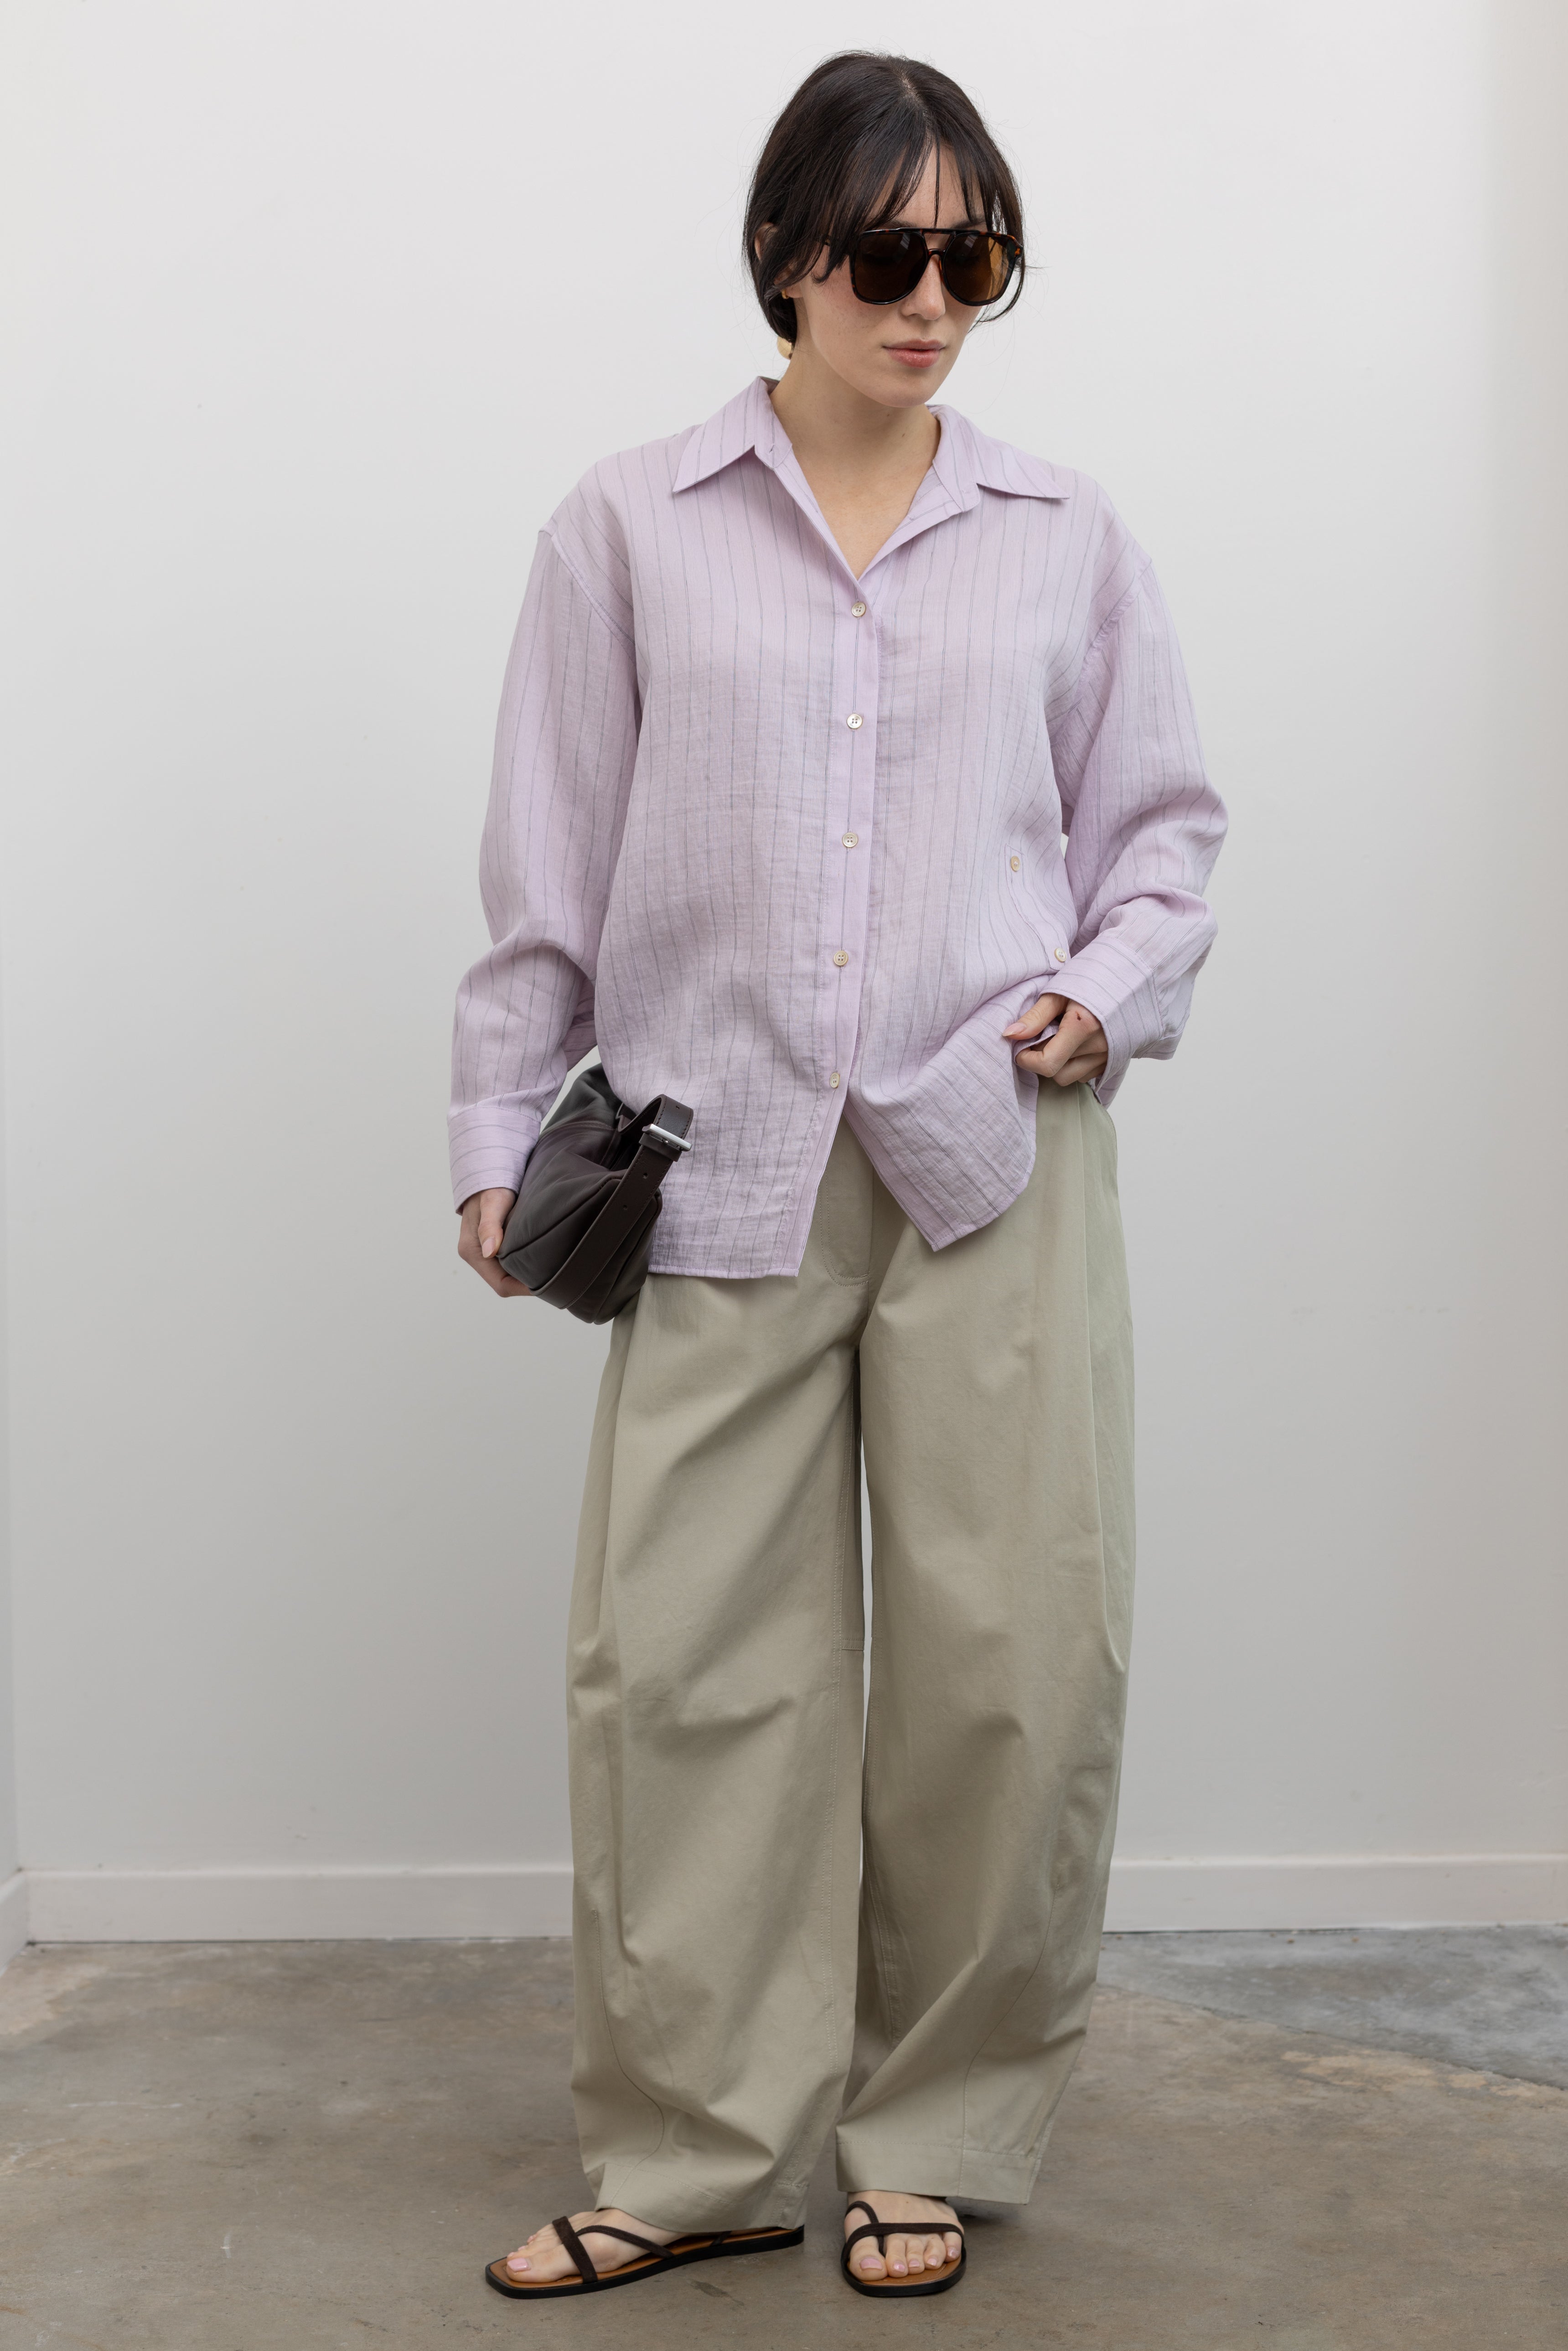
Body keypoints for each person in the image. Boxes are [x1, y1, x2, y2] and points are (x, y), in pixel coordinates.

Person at [450, 50, 1226, 2304]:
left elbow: (1158, 841)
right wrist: (499, 1131)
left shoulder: (1064, 535)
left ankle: (936, 2126)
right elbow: (543, 867)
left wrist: (1105, 991)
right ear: (786, 255)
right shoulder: (625, 525)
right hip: (712, 1150)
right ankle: (690, 2148)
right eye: (887, 254)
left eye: (971, 255)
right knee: (682, 1663)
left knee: (1008, 1662)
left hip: (991, 1144)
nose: (930, 298)